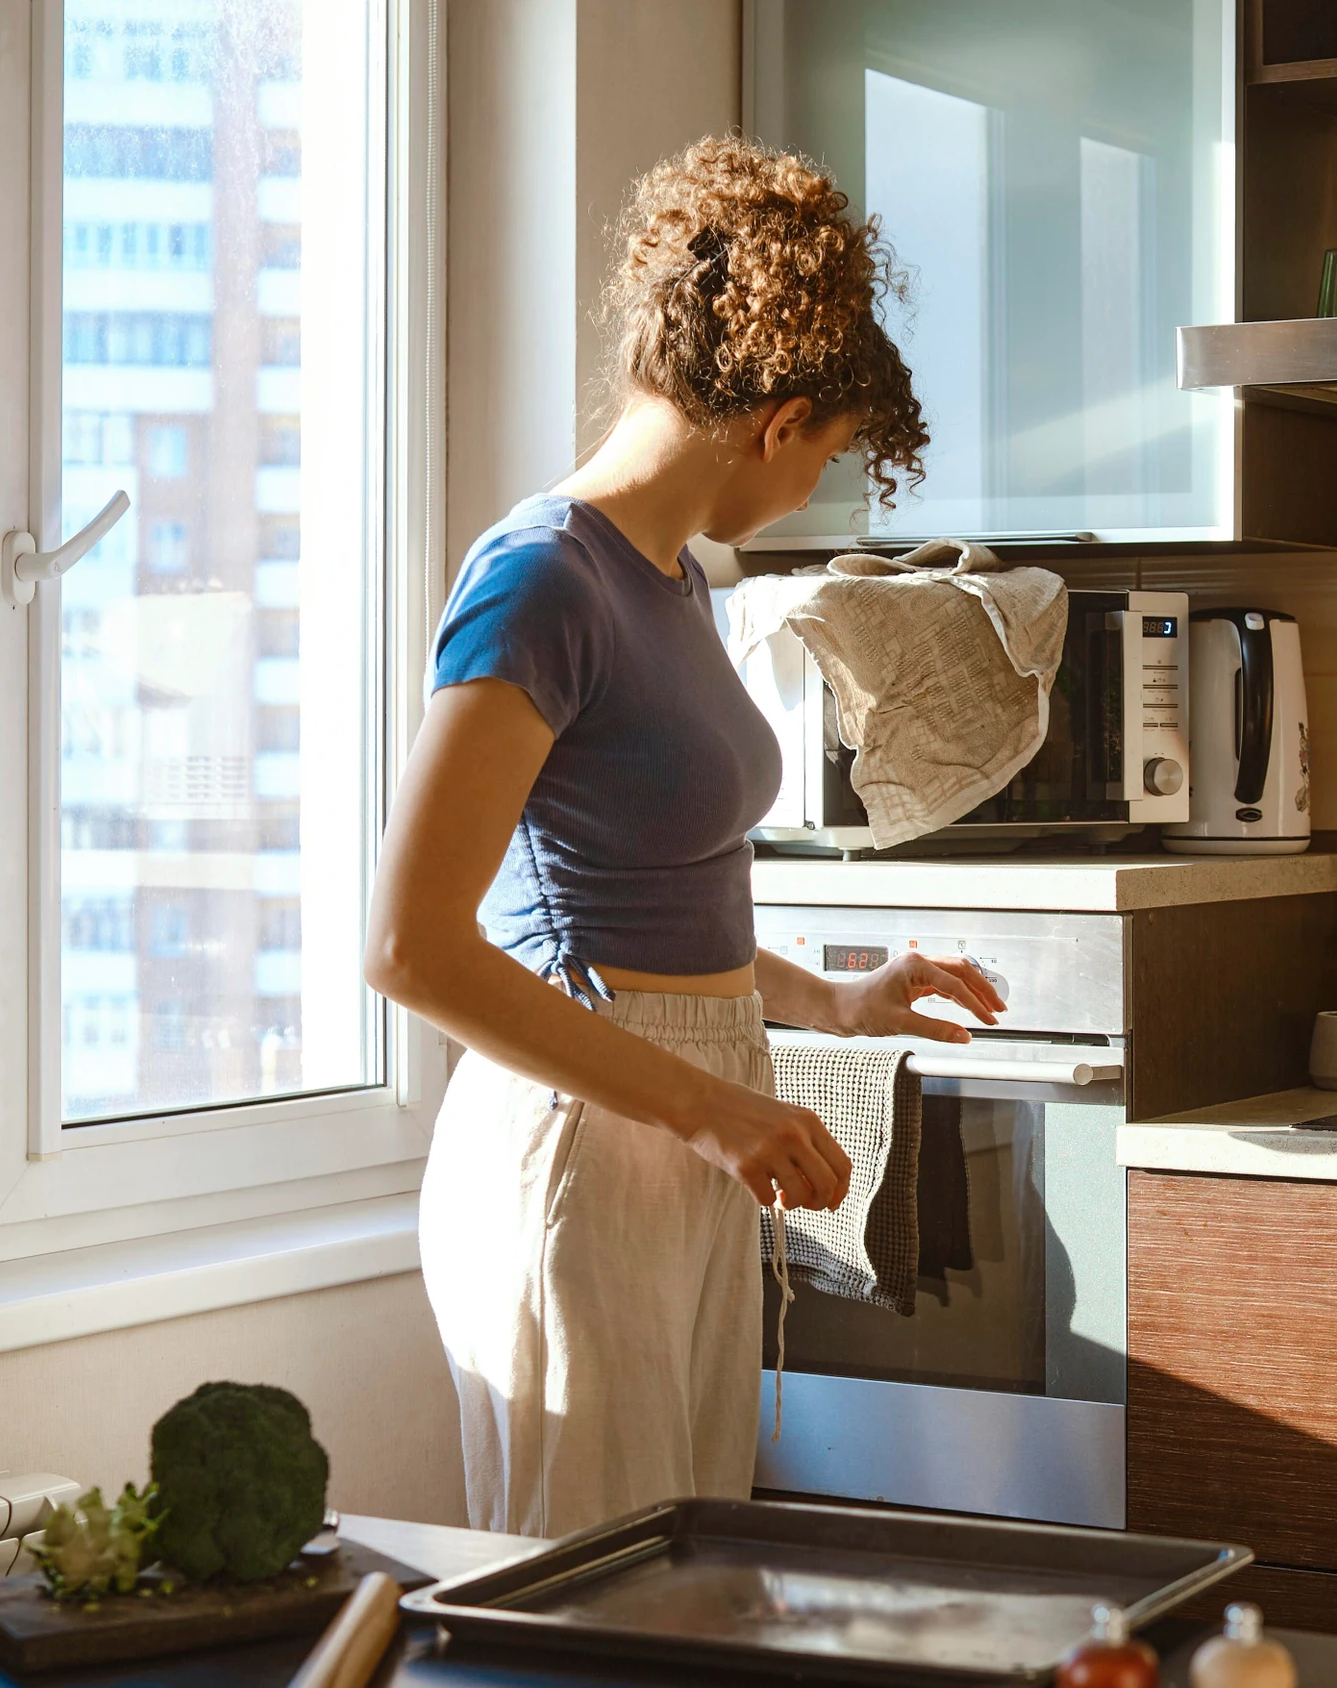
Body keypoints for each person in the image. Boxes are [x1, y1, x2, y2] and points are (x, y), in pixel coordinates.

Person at [364, 136, 1002, 1535]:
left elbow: (650, 909)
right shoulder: (539, 580)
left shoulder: (673, 589)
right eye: (828, 457)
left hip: (686, 1148)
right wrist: (709, 1104)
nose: (811, 490)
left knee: (682, 1608)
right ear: (778, 418)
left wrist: (833, 1002)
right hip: (582, 1150)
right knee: (588, 1616)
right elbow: (411, 949)